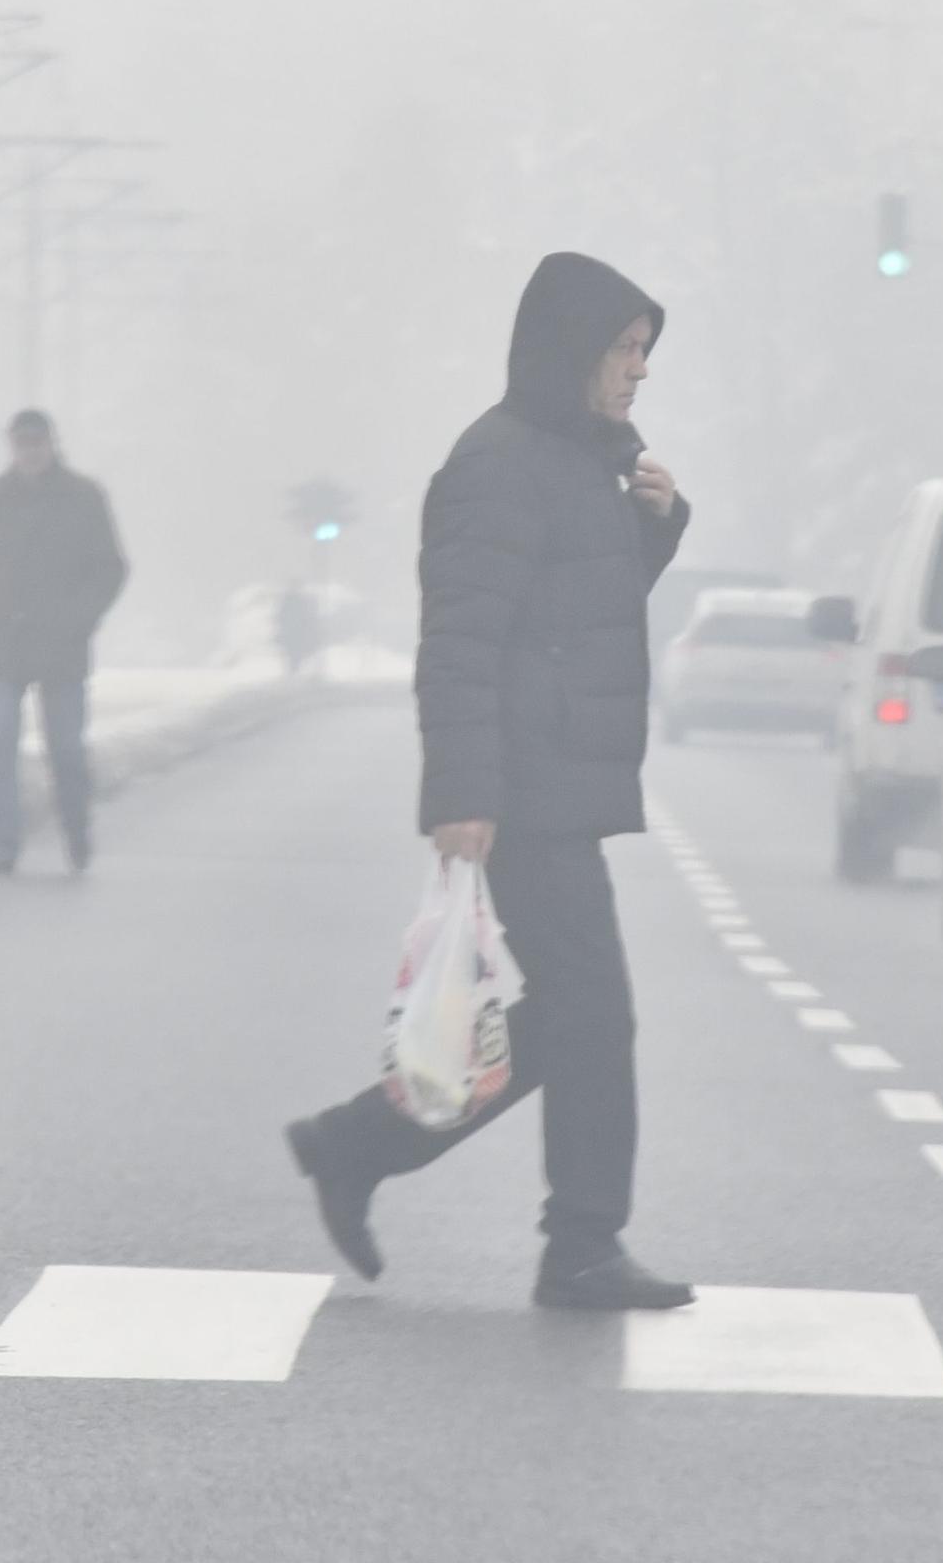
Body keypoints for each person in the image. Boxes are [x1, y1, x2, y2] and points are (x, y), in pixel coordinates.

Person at [283, 252, 696, 1312]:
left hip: (554, 780)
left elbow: (578, 616)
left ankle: (358, 1142)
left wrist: (655, 526)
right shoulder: (498, 462)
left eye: (646, 350)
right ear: (571, 350)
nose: (639, 371)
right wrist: (462, 792)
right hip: (519, 787)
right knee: (593, 1013)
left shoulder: (584, 459)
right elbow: (461, 641)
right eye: (622, 349)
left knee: (571, 1015)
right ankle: (581, 1245)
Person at [0, 409, 129, 873]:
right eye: (22, 444)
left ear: (51, 444)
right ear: (12, 447)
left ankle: (76, 832)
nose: (30, 452)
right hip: (4, 643)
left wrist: (78, 617)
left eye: (37, 443)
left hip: (62, 648)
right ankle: (3, 843)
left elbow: (112, 568)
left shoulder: (83, 498)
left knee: (65, 749)